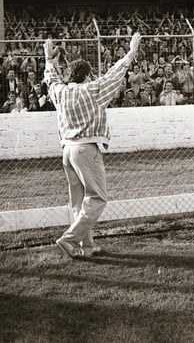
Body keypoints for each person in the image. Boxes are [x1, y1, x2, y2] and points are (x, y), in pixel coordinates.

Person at [45, 32, 142, 259]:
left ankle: (86, 248)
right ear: (87, 76)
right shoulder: (93, 90)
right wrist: (131, 52)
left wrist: (49, 59)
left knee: (79, 202)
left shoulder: (61, 91)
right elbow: (114, 75)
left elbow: (50, 78)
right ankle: (68, 240)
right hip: (85, 149)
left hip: (67, 151)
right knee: (97, 198)